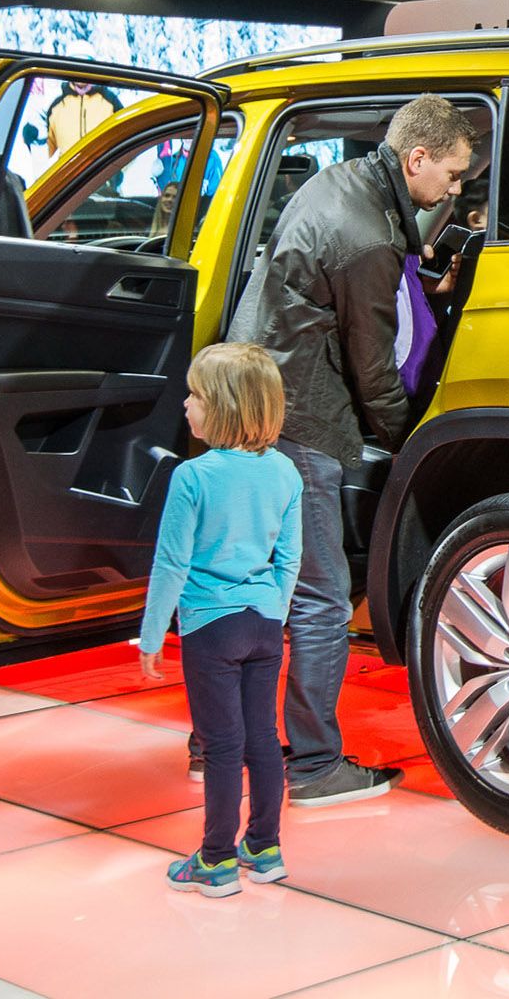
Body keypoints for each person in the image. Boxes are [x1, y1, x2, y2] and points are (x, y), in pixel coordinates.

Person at [228, 93, 477, 806]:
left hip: (258, 401)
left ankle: (216, 745)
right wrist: (414, 447)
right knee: (320, 598)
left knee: (255, 588)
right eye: (452, 176)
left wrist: (427, 280)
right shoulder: (366, 233)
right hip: (301, 421)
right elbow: (372, 367)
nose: (453, 192)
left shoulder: (336, 186)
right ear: (416, 158)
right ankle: (312, 766)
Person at [139, 343, 303, 897]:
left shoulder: (193, 477)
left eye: (196, 395)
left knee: (221, 745)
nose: (186, 404)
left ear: (224, 408)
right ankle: (265, 846)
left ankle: (215, 860)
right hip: (263, 623)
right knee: (263, 737)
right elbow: (290, 557)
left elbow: (172, 560)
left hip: (210, 626)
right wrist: (274, 609)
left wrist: (151, 632)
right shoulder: (285, 473)